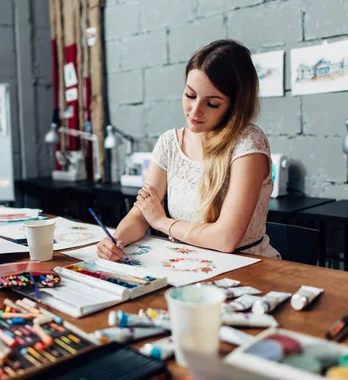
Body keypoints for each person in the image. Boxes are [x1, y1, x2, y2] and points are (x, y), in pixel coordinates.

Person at [97, 39, 281, 261]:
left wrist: (161, 222)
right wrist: (116, 240)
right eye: (190, 95)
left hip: (245, 268)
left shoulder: (248, 143)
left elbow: (226, 239)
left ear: (235, 106)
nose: (195, 111)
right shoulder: (168, 143)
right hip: (185, 263)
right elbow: (142, 213)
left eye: (212, 103)